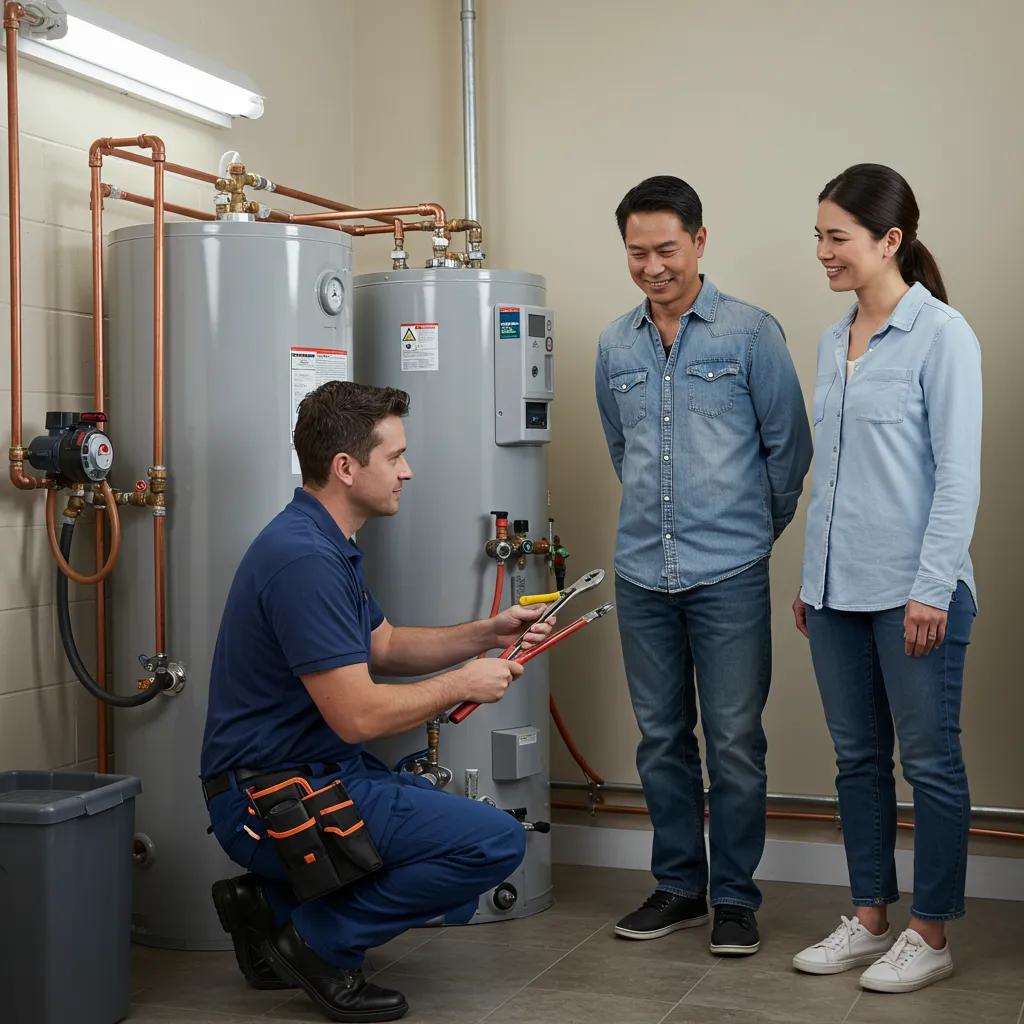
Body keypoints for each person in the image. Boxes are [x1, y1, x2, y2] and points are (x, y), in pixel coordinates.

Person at [200, 381, 552, 1023]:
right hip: (271, 797)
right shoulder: (304, 560)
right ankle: (314, 943)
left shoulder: (323, 542)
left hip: (315, 774)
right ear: (346, 467)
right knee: (492, 843)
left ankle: (268, 907)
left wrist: (487, 632)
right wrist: (463, 683)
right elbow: (357, 715)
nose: (407, 471)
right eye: (395, 457)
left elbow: (383, 646)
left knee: (441, 823)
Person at [595, 175, 812, 956]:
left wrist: (750, 531)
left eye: (666, 249)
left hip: (728, 573)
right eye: (636, 252)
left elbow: (789, 452)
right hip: (642, 572)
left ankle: (735, 899)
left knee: (733, 741)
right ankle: (679, 887)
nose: (653, 266)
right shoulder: (615, 344)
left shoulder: (750, 336)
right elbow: (626, 452)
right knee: (659, 737)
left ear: (699, 241)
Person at [791, 164, 982, 994]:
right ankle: (870, 917)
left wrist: (933, 589)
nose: (824, 253)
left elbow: (957, 478)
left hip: (915, 594)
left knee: (931, 763)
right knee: (857, 760)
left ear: (888, 240)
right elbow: (829, 475)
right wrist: (810, 578)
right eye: (821, 237)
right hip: (835, 594)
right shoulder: (835, 340)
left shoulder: (943, 335)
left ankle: (930, 933)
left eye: (838, 237)